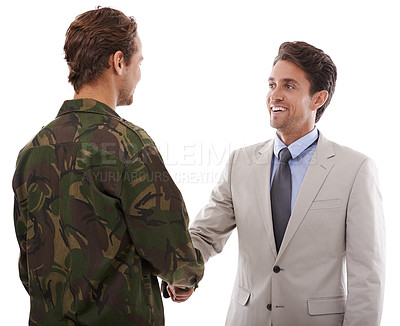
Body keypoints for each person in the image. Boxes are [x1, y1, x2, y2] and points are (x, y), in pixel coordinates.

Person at [170, 41, 385, 325]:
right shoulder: (240, 163)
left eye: (289, 86)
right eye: (272, 85)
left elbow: (367, 273)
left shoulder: (355, 169)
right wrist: (183, 273)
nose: (275, 96)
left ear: (318, 98)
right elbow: (206, 234)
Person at [12, 7, 203, 326]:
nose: (139, 73)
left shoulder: (31, 151)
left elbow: (29, 265)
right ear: (118, 61)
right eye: (138, 62)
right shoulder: (128, 144)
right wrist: (186, 277)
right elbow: (173, 253)